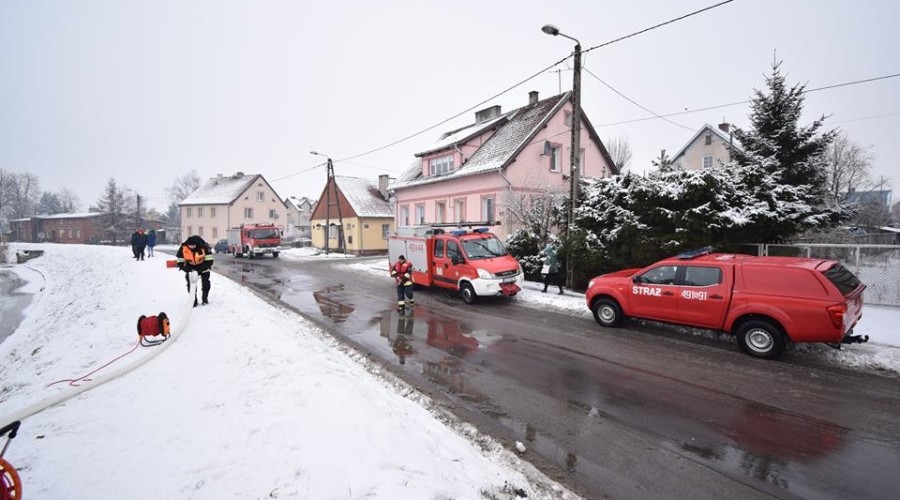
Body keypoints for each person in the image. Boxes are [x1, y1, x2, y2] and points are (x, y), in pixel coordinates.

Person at [176, 235, 214, 307]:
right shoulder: (183, 248)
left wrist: (200, 269)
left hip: (204, 268)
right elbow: (180, 261)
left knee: (206, 283)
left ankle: (205, 299)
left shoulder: (204, 247)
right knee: (190, 285)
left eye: (194, 246)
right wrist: (188, 269)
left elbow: (209, 260)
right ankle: (193, 300)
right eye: (190, 246)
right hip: (190, 269)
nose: (192, 247)